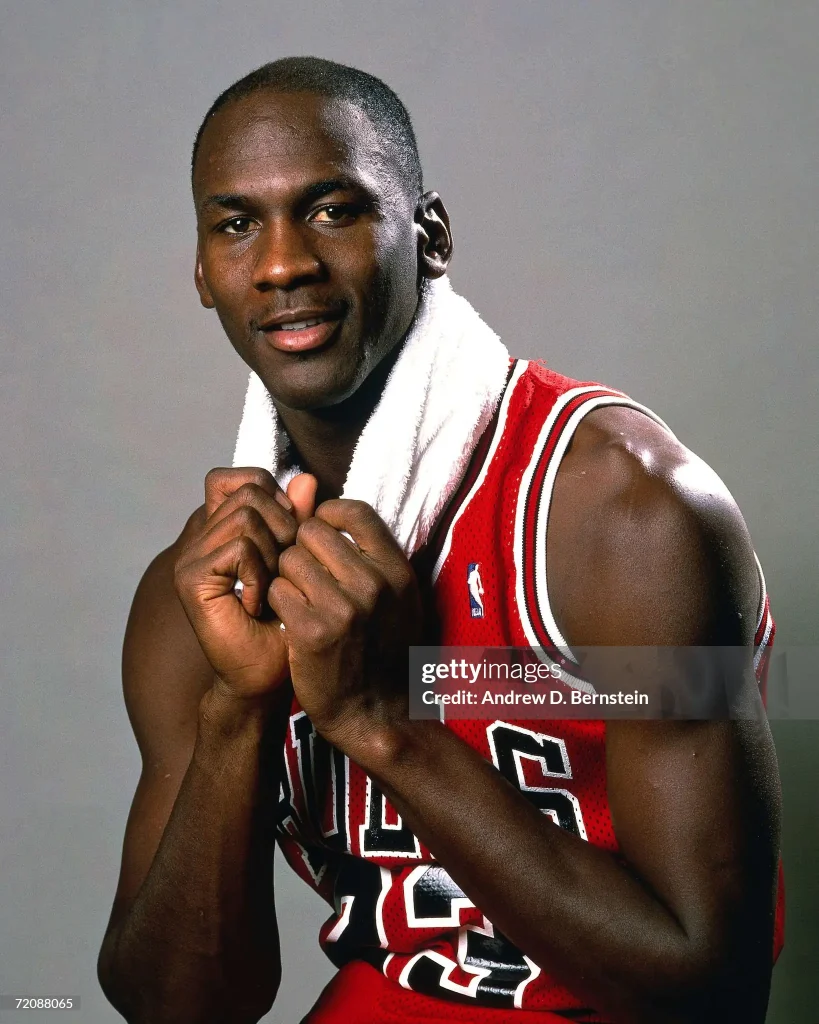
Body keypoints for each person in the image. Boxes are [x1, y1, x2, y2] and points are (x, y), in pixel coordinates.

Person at [97, 57, 783, 1024]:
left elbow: (716, 991)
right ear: (204, 274)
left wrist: (387, 722)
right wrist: (238, 711)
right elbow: (176, 1006)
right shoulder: (203, 590)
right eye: (238, 223)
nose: (284, 262)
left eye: (333, 209)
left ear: (429, 236)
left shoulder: (634, 514)